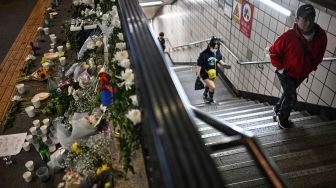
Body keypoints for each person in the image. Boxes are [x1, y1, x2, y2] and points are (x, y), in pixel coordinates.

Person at [269, 4, 327, 129]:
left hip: (301, 73)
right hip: (286, 73)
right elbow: (273, 52)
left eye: (311, 18)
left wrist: (311, 67)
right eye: (305, 19)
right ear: (296, 20)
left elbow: (319, 55)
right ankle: (282, 117)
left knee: (288, 93)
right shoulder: (287, 37)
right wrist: (281, 68)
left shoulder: (321, 36)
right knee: (292, 97)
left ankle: (277, 107)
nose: (309, 22)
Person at [196, 37, 226, 104]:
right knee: (212, 86)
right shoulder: (203, 54)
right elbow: (199, 64)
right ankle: (211, 100)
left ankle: (205, 94)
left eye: (216, 48)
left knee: (209, 85)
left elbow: (219, 59)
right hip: (205, 73)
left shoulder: (217, 51)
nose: (215, 49)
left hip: (213, 72)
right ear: (209, 45)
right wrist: (198, 74)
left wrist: (223, 64)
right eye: (214, 48)